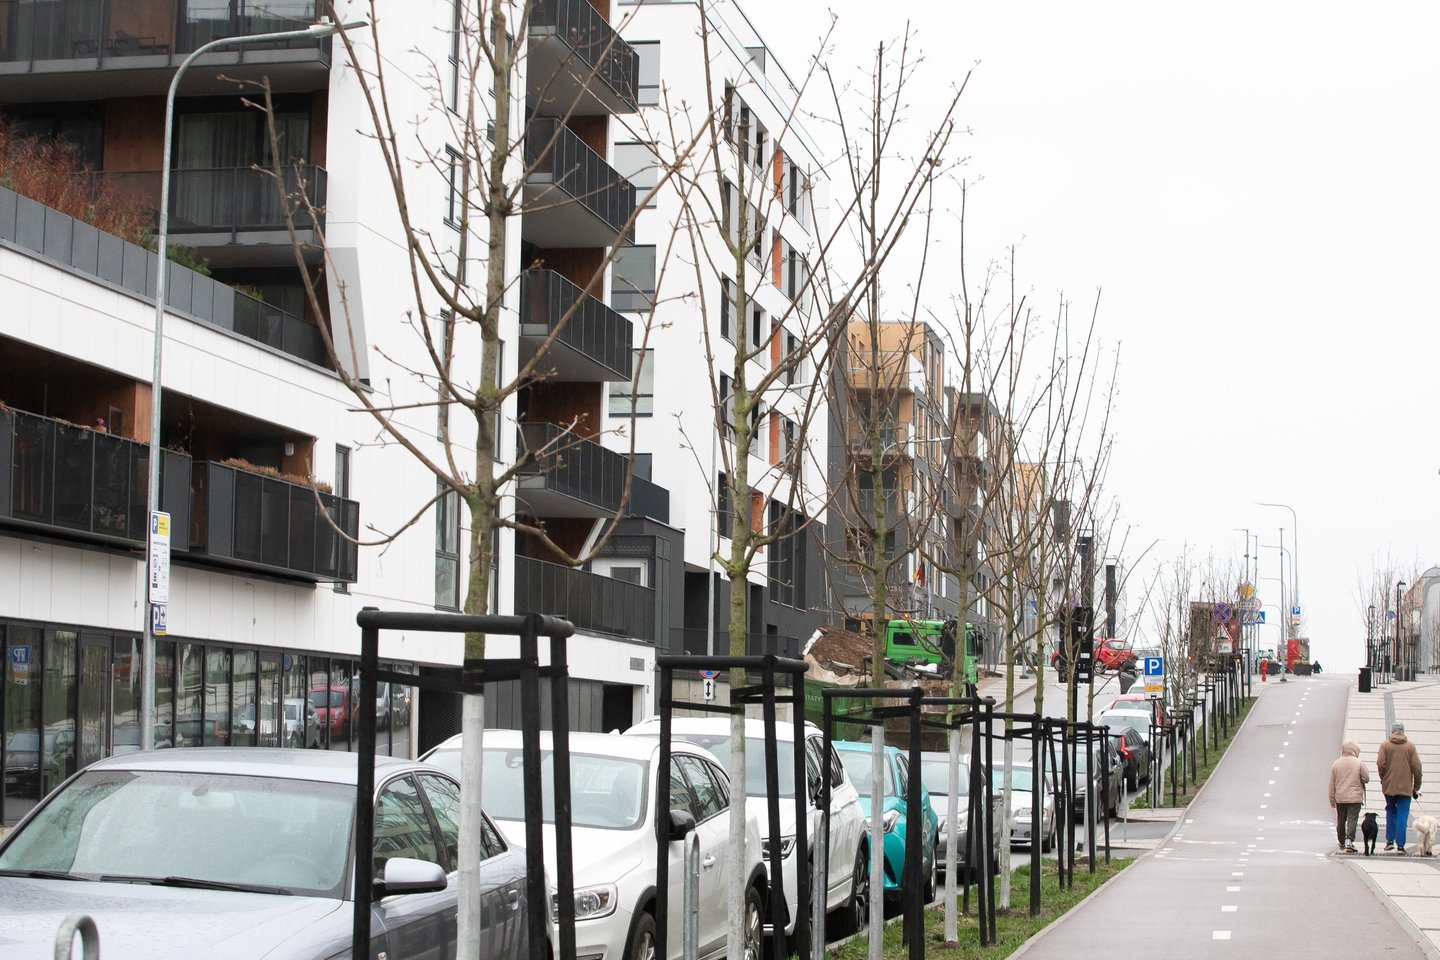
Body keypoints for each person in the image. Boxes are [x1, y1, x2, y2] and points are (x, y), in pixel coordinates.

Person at [1378, 721, 1423, 853]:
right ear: (1403, 731)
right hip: (1405, 787)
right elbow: (1417, 767)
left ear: (1392, 731)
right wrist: (1416, 786)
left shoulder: (1385, 745)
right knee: (1403, 814)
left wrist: (1383, 778)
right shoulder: (1410, 746)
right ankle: (1401, 845)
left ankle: (1389, 841)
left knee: (1390, 811)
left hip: (1389, 785)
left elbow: (1380, 763)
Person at [1328, 740, 1369, 853]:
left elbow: (1332, 783)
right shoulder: (1359, 763)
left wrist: (1331, 799)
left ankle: (1341, 842)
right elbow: (1366, 778)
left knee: (1341, 820)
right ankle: (1349, 841)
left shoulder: (1336, 763)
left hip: (1340, 798)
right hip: (1355, 798)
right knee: (1352, 819)